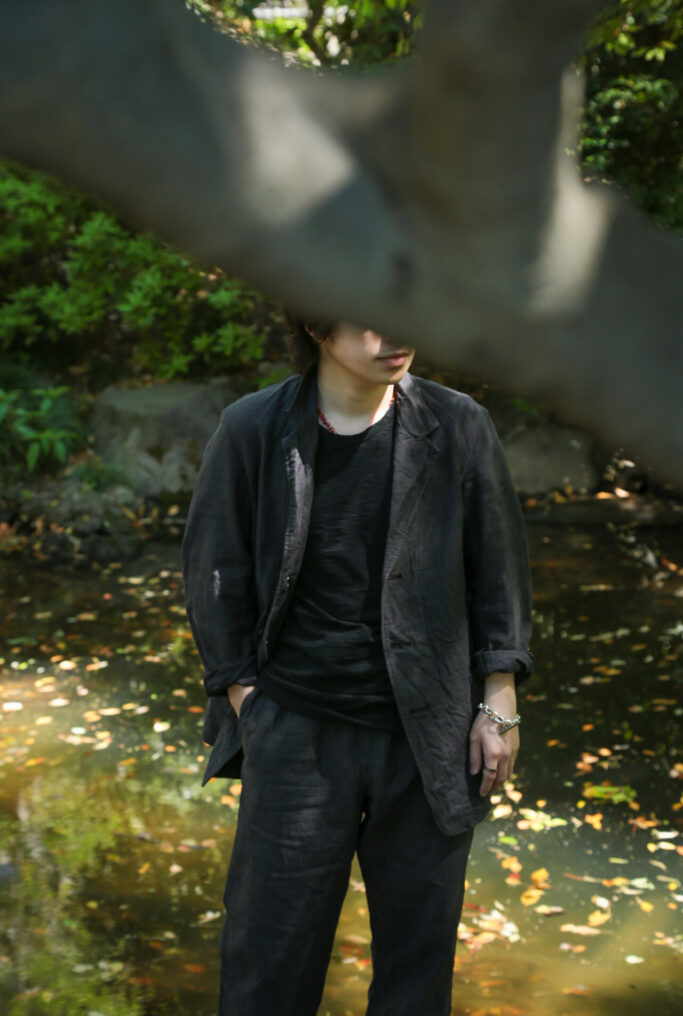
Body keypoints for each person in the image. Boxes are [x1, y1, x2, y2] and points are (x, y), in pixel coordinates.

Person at [181, 316, 534, 1016]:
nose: (396, 336)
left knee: (416, 973)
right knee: (268, 967)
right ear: (317, 324)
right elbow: (214, 570)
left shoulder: (458, 425)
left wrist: (498, 702)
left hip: (429, 734)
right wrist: (248, 699)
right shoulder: (253, 427)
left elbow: (498, 569)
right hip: (296, 727)